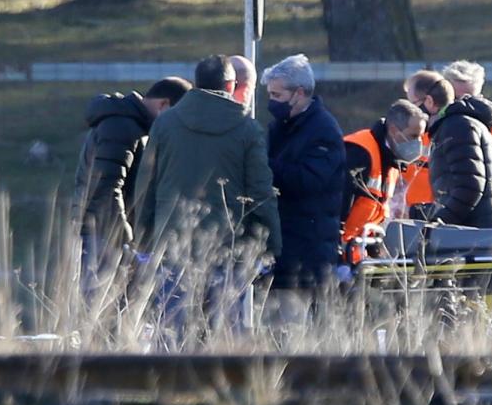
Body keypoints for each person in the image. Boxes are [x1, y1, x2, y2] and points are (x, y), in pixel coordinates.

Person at [133, 54, 281, 258]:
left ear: (196, 83)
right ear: (230, 86)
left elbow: (146, 185)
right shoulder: (247, 129)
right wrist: (272, 246)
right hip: (225, 247)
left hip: (169, 244)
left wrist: (142, 240)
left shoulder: (165, 123)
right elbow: (260, 192)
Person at [73, 77, 192, 291]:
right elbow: (107, 188)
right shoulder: (121, 127)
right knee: (100, 311)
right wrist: (127, 240)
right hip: (104, 234)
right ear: (163, 105)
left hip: (105, 233)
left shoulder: (130, 125)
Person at [263, 54, 346, 289]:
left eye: (277, 95)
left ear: (299, 93)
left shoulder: (323, 130)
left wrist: (264, 165)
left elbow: (308, 180)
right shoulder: (281, 127)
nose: (272, 101)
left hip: (308, 247)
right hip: (288, 241)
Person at [341, 99, 426, 265]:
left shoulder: (391, 162)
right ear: (394, 130)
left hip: (358, 254)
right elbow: (337, 207)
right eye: (413, 136)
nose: (418, 143)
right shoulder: (359, 153)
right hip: (340, 252)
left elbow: (374, 215)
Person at [427, 77, 492, 228]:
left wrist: (439, 221)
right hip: (482, 225)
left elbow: (470, 186)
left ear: (429, 102)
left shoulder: (456, 126)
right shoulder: (467, 124)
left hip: (472, 231)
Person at [399, 70, 454, 220]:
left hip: (438, 221)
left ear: (429, 101)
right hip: (414, 219)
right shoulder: (416, 136)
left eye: (413, 104)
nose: (410, 112)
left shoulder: (452, 133)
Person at [441, 60, 492, 171]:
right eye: (455, 99)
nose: (461, 106)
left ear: (480, 98)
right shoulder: (428, 132)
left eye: (468, 99)